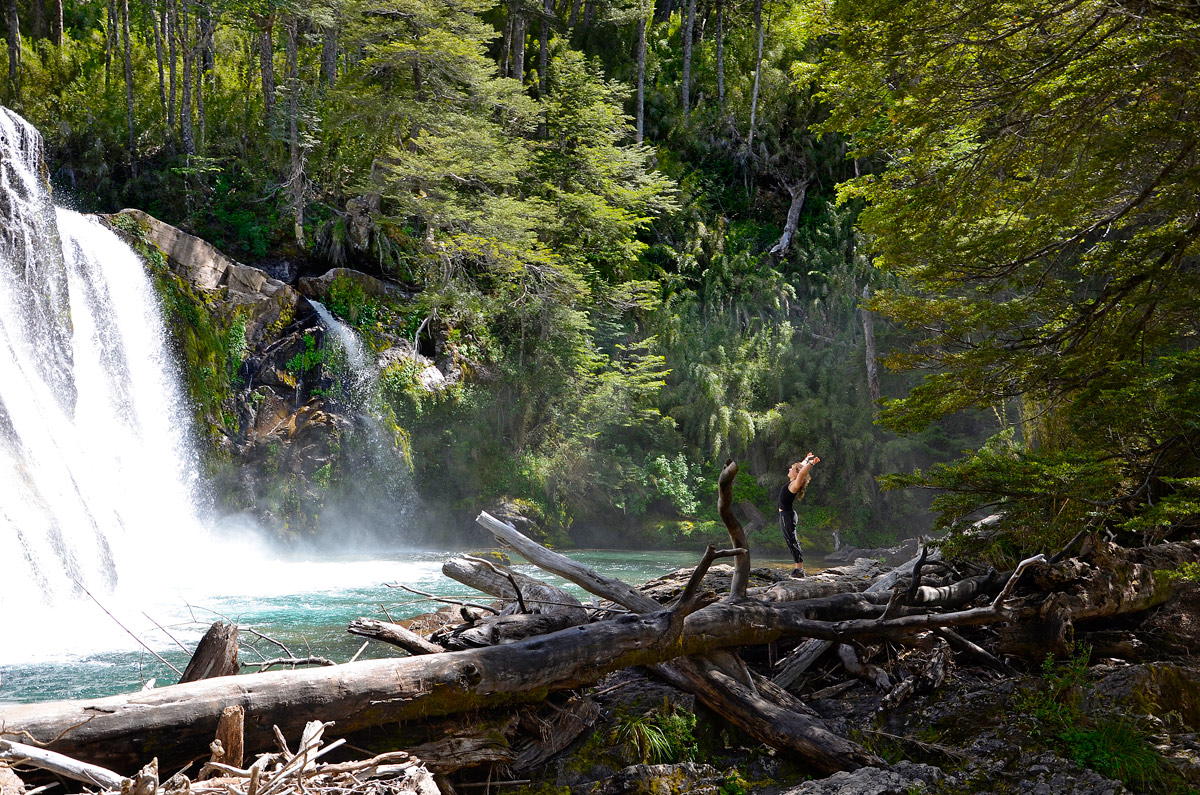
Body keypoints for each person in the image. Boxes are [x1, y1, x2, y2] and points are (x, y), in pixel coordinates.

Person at [778, 453, 820, 578]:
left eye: (792, 469)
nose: (789, 469)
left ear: (796, 474)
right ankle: (798, 569)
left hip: (787, 516)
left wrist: (811, 464)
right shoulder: (793, 481)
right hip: (787, 515)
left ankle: (799, 570)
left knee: (792, 541)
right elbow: (800, 468)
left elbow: (801, 472)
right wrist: (807, 459)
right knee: (790, 540)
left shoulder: (795, 485)